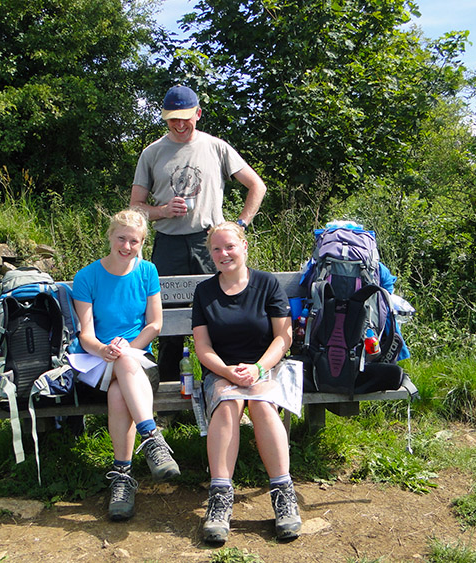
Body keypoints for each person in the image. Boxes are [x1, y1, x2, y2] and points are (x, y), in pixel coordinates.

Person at [130, 84, 268, 382]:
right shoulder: (151, 153)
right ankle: (166, 397)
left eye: (185, 118)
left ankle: (225, 387)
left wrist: (239, 225)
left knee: (222, 317)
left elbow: (257, 186)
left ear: (198, 114)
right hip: (168, 245)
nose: (179, 125)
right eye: (172, 119)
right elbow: (136, 207)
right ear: (164, 118)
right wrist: (163, 210)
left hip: (211, 243)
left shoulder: (215, 147)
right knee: (165, 322)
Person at [191, 222, 302, 543]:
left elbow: (284, 337)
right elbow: (203, 348)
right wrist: (227, 372)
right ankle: (220, 499)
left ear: (244, 246)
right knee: (228, 406)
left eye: (230, 247)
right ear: (210, 254)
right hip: (221, 371)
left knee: (262, 405)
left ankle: (283, 495)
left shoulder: (266, 285)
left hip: (266, 368)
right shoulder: (205, 292)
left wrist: (256, 369)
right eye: (216, 249)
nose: (224, 254)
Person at [72, 209, 180, 522]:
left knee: (121, 391)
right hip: (97, 363)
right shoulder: (87, 277)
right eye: (121, 238)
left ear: (142, 242)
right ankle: (151, 438)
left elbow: (155, 325)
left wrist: (127, 350)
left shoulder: (147, 272)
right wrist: (104, 349)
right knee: (119, 377)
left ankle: (122, 477)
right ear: (110, 236)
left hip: (138, 361)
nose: (127, 246)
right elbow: (86, 334)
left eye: (134, 241)